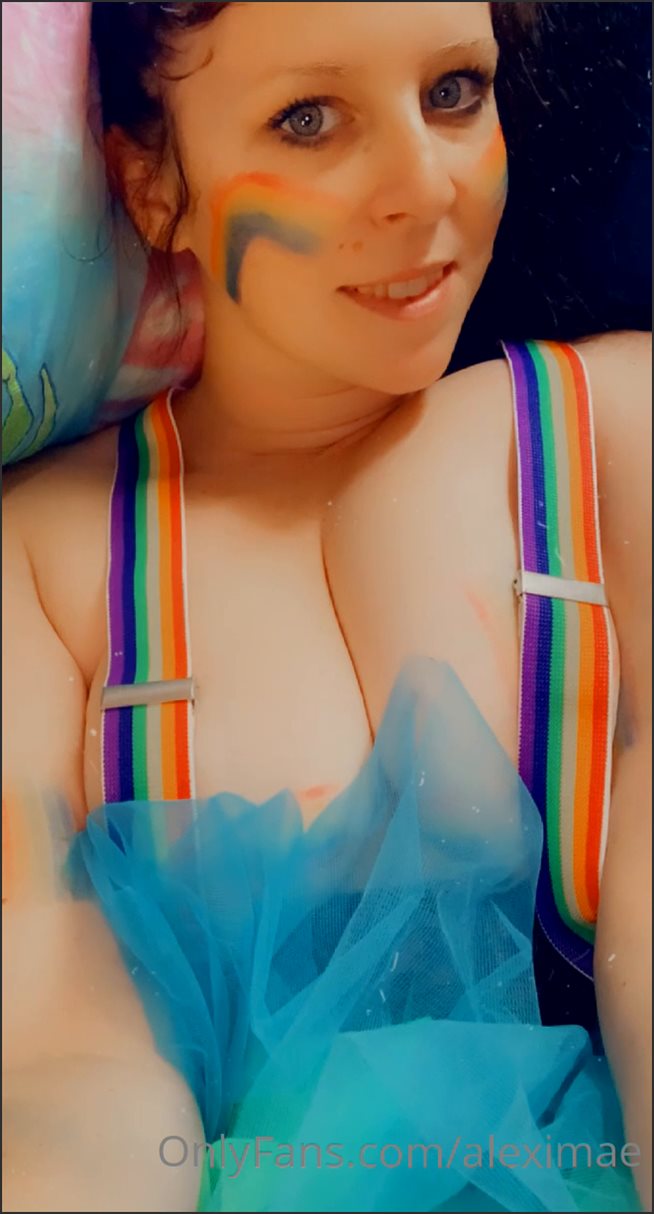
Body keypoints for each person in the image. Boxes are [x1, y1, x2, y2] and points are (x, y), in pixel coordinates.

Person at [3, 3, 651, 1211]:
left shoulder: (612, 437)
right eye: (308, 119)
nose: (423, 183)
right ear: (151, 182)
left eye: (454, 92)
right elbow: (51, 1059)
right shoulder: (44, 569)